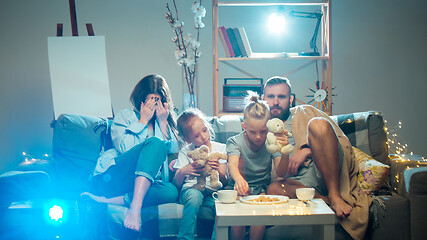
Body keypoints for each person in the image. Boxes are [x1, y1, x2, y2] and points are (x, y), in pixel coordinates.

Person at [262, 76, 372, 240]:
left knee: (318, 124)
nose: (276, 102)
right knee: (273, 189)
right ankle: (325, 200)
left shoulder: (305, 111)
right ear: (263, 99)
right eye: (271, 96)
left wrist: (307, 150)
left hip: (324, 170)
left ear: (291, 99)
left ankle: (334, 196)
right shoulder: (260, 127)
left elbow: (338, 140)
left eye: (281, 97)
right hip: (296, 184)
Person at [81, 74, 179, 232]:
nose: (154, 105)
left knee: (171, 191)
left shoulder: (165, 121)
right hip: (115, 176)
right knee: (155, 143)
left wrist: (163, 124)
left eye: (157, 100)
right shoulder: (124, 116)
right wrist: (143, 121)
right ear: (141, 100)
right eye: (150, 100)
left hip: (141, 184)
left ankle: (112, 201)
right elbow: (125, 148)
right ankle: (135, 207)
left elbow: (174, 155)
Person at [226, 91, 290, 240]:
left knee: (260, 216)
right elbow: (232, 164)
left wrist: (285, 151)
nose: (258, 137)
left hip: (261, 190)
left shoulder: (271, 142)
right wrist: (239, 180)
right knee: (238, 218)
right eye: (252, 132)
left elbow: (281, 172)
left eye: (263, 131)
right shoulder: (235, 141)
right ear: (244, 127)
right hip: (238, 188)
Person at [172, 108, 228, 240]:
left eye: (204, 130)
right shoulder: (187, 152)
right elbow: (176, 184)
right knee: (194, 197)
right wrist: (183, 171)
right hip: (191, 190)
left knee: (221, 205)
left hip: (213, 191)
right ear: (187, 139)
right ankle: (185, 237)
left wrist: (219, 169)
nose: (204, 137)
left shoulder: (221, 148)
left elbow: (225, 181)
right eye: (196, 136)